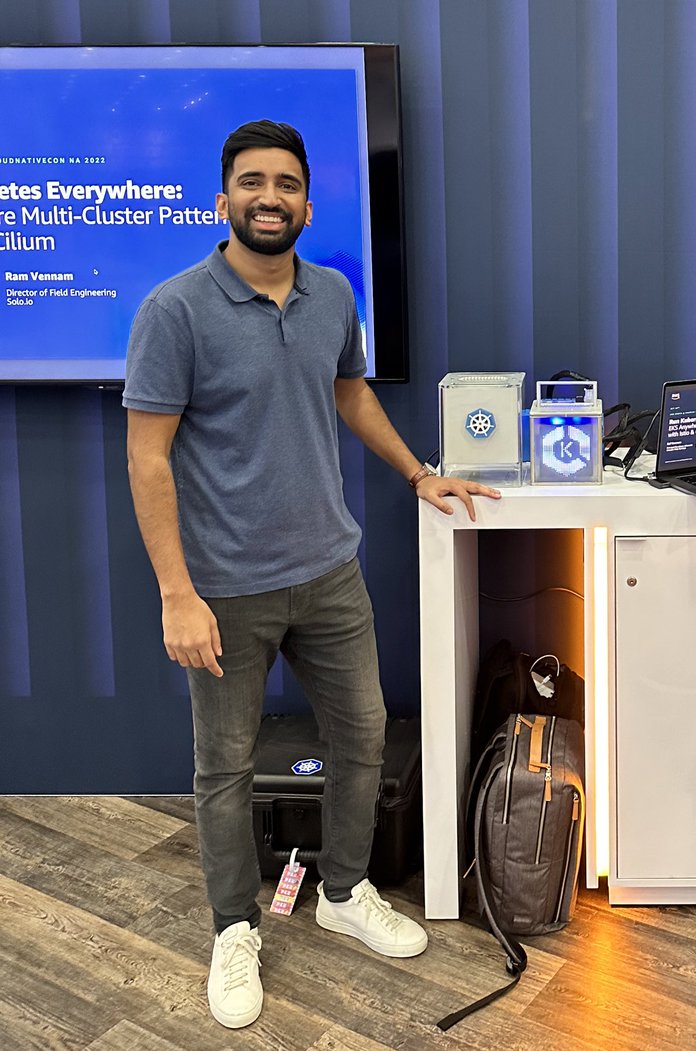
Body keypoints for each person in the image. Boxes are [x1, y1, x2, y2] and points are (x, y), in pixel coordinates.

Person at [124, 119, 500, 1030]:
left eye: (286, 184)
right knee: (222, 766)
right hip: (224, 587)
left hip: (331, 570)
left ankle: (343, 889)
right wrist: (178, 591)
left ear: (306, 201)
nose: (269, 198)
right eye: (251, 183)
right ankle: (232, 928)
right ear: (221, 201)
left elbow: (348, 392)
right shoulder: (174, 309)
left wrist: (418, 472)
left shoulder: (332, 292)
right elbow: (147, 457)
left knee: (364, 733)